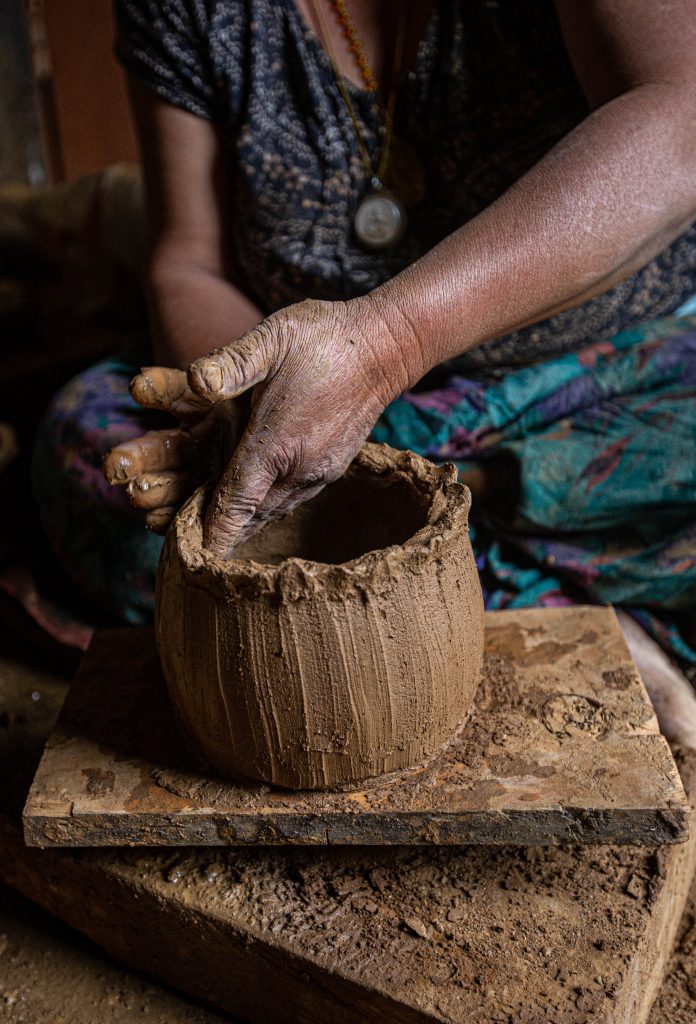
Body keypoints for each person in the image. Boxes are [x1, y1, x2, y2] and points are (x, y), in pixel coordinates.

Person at [32, 1, 696, 737]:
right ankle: (531, 606)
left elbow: (681, 122)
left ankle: (442, 583)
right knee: (101, 469)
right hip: (311, 388)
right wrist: (245, 415)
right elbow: (191, 261)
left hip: (601, 382)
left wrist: (391, 338)